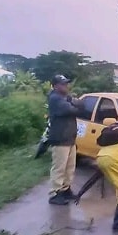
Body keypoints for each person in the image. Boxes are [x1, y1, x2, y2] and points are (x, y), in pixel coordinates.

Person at [47, 74, 83, 205]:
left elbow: (80, 104)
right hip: (60, 138)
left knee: (70, 167)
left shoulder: (64, 97)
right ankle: (55, 193)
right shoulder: (55, 98)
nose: (66, 86)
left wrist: (74, 103)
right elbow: (74, 109)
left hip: (69, 137)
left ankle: (65, 189)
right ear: (56, 86)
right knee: (59, 167)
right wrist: (74, 103)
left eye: (66, 83)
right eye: (63, 84)